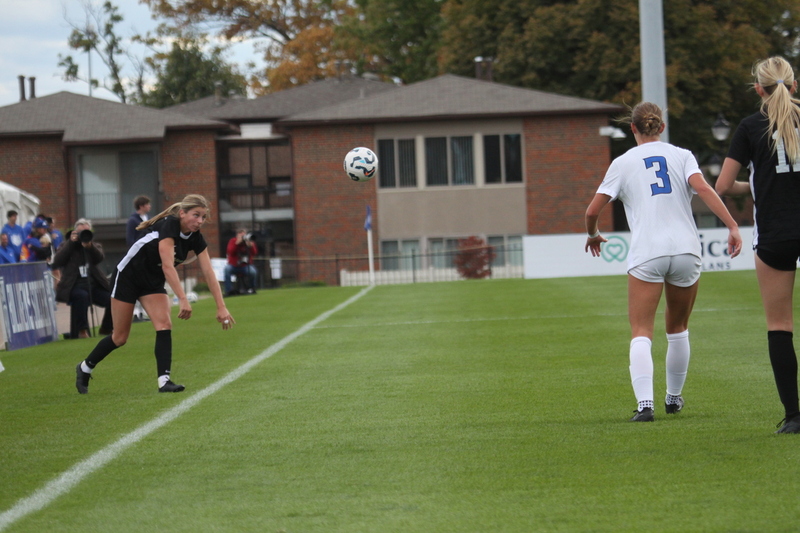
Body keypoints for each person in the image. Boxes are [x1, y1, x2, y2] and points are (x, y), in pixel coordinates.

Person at [585, 101, 742, 422]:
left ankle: (645, 406)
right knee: (678, 328)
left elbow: (591, 211)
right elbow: (704, 188)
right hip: (686, 249)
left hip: (649, 251)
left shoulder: (622, 162)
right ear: (662, 127)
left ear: (632, 128)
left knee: (641, 330)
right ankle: (673, 398)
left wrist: (594, 234)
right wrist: (732, 225)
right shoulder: (682, 155)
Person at [75, 194, 235, 394]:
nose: (200, 221)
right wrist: (183, 299)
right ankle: (84, 367)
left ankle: (164, 381)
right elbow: (168, 266)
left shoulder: (196, 238)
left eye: (203, 217)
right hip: (128, 277)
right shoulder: (169, 224)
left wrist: (221, 306)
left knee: (164, 324)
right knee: (120, 337)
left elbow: (209, 272)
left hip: (151, 282)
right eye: (196, 215)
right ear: (182, 213)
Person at [716, 56, 800, 433]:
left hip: (775, 235)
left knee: (780, 326)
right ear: (793, 86)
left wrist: (755, 184)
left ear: (758, 90)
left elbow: (722, 186)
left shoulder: (751, 126)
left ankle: (794, 417)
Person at [51, 219, 113, 339]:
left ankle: (106, 327)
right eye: (81, 232)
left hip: (93, 285)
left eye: (86, 232)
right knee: (81, 296)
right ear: (75, 232)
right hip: (74, 286)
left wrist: (89, 246)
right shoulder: (66, 246)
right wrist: (71, 243)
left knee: (112, 298)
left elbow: (99, 258)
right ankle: (82, 330)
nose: (83, 235)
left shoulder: (94, 246)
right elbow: (57, 261)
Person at [126, 196, 152, 322]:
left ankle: (142, 313)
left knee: (145, 285)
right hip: (137, 258)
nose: (149, 206)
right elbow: (130, 240)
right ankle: (135, 313)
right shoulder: (133, 221)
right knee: (137, 285)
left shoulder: (147, 219)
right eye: (147, 204)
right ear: (141, 206)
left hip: (146, 257)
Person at [224, 228, 258, 296]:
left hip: (245, 266)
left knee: (253, 272)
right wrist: (237, 243)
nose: (243, 238)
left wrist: (250, 246)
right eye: (241, 236)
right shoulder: (233, 241)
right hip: (234, 265)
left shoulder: (248, 241)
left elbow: (254, 253)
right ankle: (228, 290)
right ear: (237, 236)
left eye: (244, 235)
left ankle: (251, 288)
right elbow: (230, 252)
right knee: (227, 270)